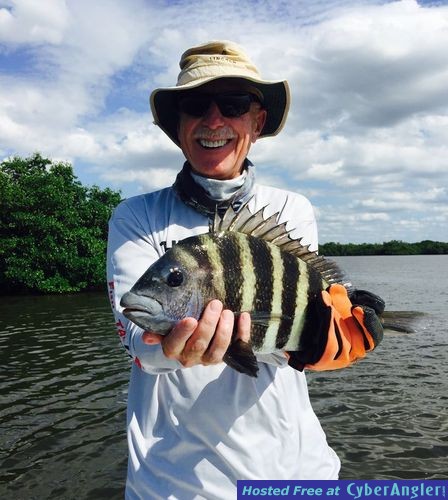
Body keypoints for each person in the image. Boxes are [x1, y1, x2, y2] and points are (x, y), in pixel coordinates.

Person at [107, 40, 384, 499]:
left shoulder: (291, 209)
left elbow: (293, 323)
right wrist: (171, 347)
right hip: (174, 484)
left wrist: (322, 341)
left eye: (233, 105)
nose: (214, 120)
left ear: (256, 123)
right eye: (196, 105)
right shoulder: (135, 216)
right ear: (178, 125)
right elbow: (137, 341)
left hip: (295, 471)